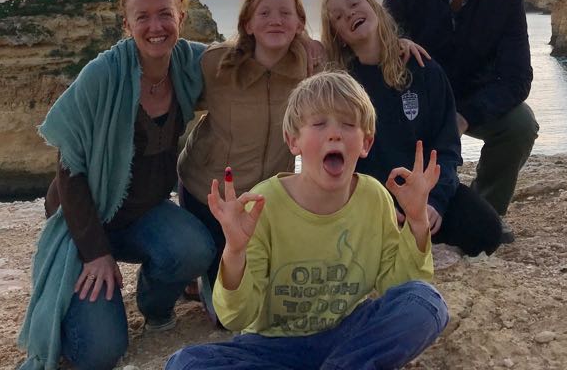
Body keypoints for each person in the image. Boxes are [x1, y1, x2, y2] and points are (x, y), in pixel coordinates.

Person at [165, 71, 449, 370]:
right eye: (319, 123)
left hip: (348, 335)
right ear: (293, 141)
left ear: (366, 142)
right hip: (272, 346)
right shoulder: (264, 203)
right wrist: (235, 252)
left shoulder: (374, 197)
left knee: (426, 302)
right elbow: (236, 317)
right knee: (185, 363)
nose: (334, 134)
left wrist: (416, 220)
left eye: (348, 124)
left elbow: (399, 285)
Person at [17, 0, 215, 370]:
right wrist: (95, 253)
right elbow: (69, 168)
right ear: (126, 24)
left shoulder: (190, 62)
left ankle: (155, 307)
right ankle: (81, 306)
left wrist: (304, 46)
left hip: (143, 213)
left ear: (181, 17)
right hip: (85, 220)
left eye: (165, 14)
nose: (156, 26)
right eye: (143, 17)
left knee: (195, 249)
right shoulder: (103, 75)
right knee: (100, 353)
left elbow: (244, 58)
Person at [384, 0, 538, 237]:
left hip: (476, 101)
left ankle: (488, 210)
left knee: (521, 125)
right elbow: (380, 55)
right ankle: (393, 212)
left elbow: (517, 78)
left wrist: (465, 115)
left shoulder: (507, 0)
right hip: (417, 103)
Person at [322, 0, 503, 256]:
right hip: (372, 197)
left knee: (486, 231)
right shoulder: (341, 86)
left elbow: (446, 146)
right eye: (337, 16)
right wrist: (373, 206)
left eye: (354, 4)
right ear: (339, 36)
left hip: (425, 191)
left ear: (375, 9)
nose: (349, 14)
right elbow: (336, 158)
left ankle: (418, 233)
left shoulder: (423, 69)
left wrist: (435, 203)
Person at [177, 0, 310, 314]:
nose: (275, 20)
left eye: (285, 13)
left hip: (264, 202)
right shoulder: (216, 63)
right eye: (264, 13)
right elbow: (167, 69)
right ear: (248, 24)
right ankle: (186, 276)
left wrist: (398, 44)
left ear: (299, 24)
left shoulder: (310, 68)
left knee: (270, 300)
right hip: (208, 194)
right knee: (227, 314)